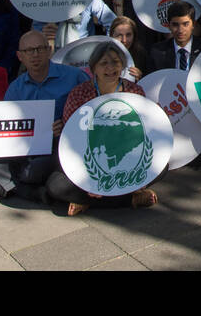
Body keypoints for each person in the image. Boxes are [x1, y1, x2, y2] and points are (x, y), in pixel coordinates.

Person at [49, 45, 156, 215]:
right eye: (104, 63)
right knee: (56, 185)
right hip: (87, 160)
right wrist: (89, 182)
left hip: (126, 160)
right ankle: (129, 199)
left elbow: (143, 135)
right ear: (93, 68)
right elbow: (72, 141)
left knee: (161, 167)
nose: (110, 68)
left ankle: (85, 201)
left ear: (122, 65)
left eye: (115, 62)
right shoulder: (79, 94)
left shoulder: (134, 91)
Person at [3, 30, 90, 204]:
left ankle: (30, 190)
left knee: (28, 173)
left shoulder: (74, 77)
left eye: (39, 49)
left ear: (49, 50)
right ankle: (36, 188)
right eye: (28, 51)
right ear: (20, 56)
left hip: (67, 146)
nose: (35, 55)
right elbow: (9, 127)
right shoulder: (15, 88)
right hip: (30, 150)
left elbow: (92, 111)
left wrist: (66, 125)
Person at [148, 1, 201, 71]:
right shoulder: (157, 52)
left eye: (185, 24)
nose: (180, 30)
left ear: (193, 24)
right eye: (175, 25)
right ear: (169, 26)